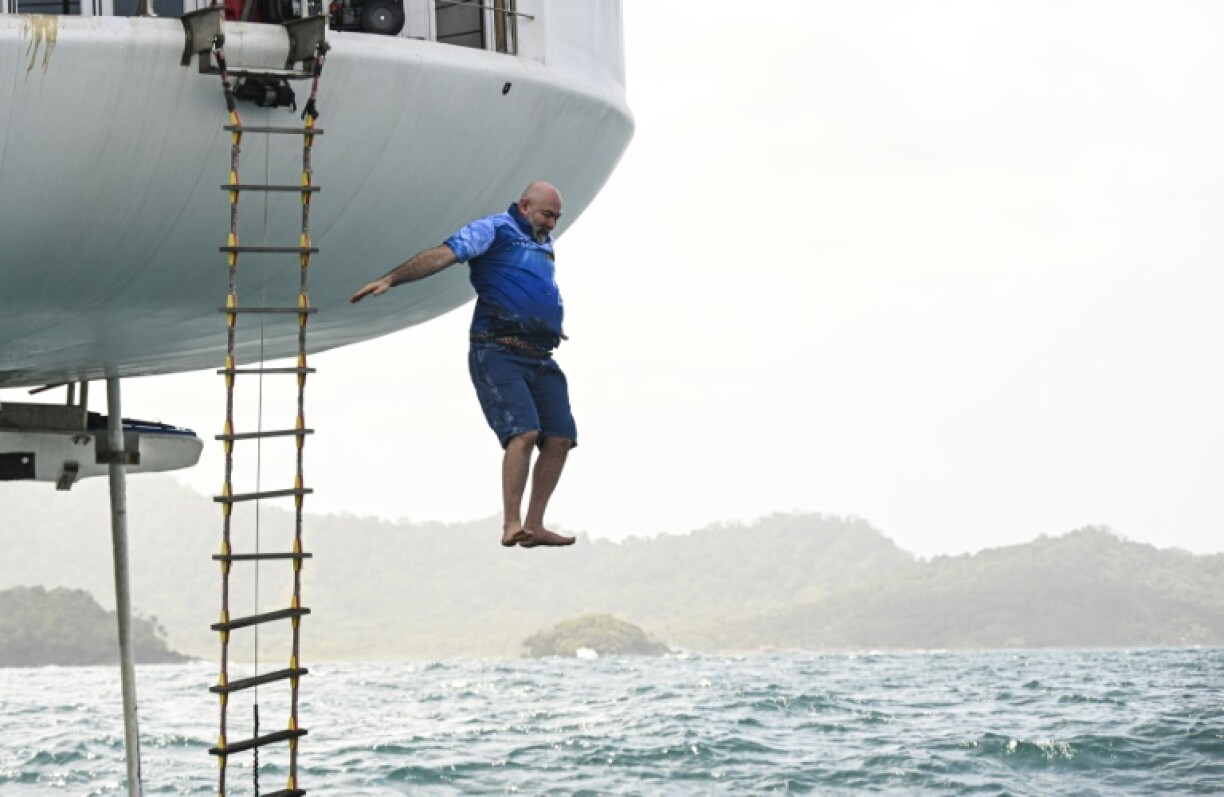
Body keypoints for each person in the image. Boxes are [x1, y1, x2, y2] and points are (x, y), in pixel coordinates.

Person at [350, 181, 577, 549]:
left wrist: (548, 321)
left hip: (541, 353)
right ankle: (511, 523)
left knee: (561, 437)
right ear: (524, 206)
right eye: (547, 215)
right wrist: (393, 277)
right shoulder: (494, 229)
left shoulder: (542, 242)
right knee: (524, 433)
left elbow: (532, 284)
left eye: (556, 217)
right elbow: (444, 254)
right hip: (498, 349)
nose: (552, 223)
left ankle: (535, 525)